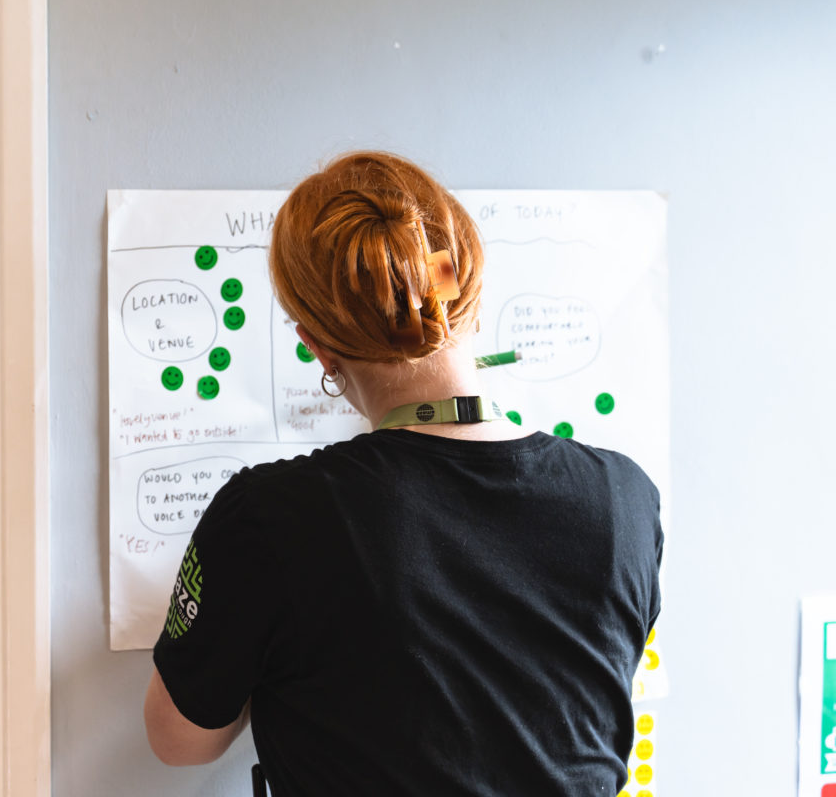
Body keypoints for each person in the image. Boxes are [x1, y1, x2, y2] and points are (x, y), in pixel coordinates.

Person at [143, 151, 662, 796]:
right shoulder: (625, 497)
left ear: (317, 346)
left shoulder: (270, 517)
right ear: (470, 296)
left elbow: (180, 741)